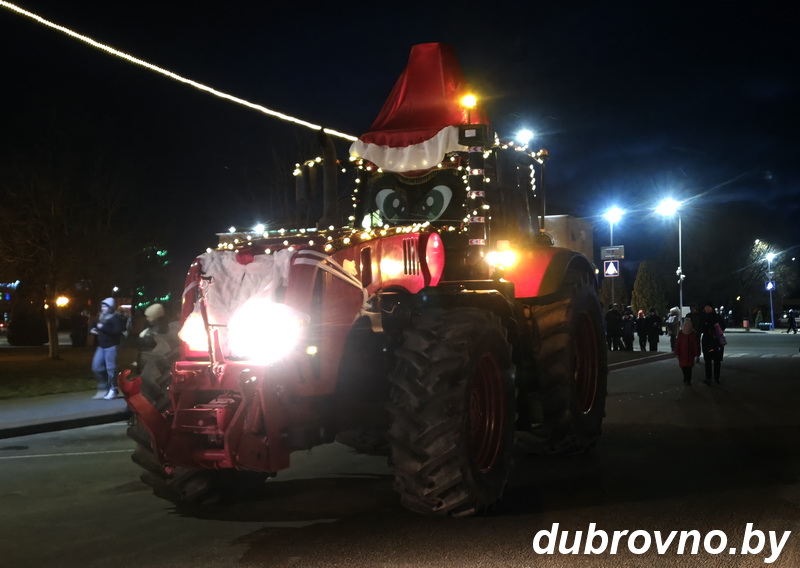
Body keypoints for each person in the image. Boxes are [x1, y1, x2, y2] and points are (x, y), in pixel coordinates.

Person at [89, 297, 125, 400]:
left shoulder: (115, 318)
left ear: (110, 307)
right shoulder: (101, 316)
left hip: (111, 346)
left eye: (105, 306)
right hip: (101, 346)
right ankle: (103, 388)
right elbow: (93, 326)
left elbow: (117, 331)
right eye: (102, 306)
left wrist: (102, 328)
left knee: (111, 369)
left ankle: (113, 389)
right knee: (96, 367)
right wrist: (92, 330)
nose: (103, 308)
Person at [699, 301, 725, 384]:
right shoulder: (703, 317)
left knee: (716, 360)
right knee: (707, 360)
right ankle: (709, 378)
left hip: (716, 340)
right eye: (705, 307)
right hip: (707, 340)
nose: (706, 308)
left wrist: (715, 329)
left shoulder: (717, 317)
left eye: (708, 306)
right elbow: (700, 328)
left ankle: (717, 378)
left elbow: (723, 326)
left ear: (711, 308)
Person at [674, 319, 700, 385]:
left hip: (690, 354)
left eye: (688, 325)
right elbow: (677, 344)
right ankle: (685, 378)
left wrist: (696, 354)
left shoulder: (692, 334)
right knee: (683, 367)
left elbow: (695, 345)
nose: (687, 326)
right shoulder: (681, 333)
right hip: (682, 354)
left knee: (689, 368)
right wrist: (676, 353)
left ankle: (688, 380)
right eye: (685, 325)